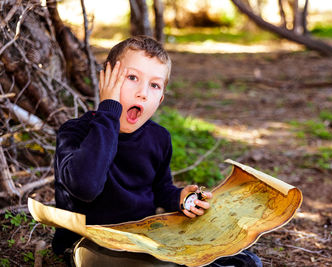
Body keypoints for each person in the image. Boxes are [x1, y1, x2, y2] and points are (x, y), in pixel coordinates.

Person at [52, 36, 261, 267]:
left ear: (160, 99)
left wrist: (179, 198)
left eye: (154, 85)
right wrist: (108, 112)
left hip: (141, 240)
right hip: (90, 243)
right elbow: (86, 186)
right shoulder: (75, 132)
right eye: (132, 78)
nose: (143, 93)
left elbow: (161, 190)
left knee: (239, 261)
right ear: (106, 82)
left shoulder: (159, 138)